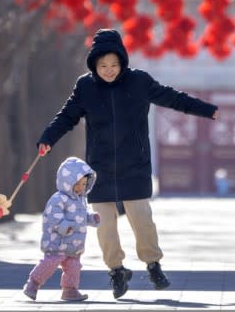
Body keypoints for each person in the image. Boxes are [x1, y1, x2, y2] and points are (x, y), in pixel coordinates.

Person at [36, 28, 219, 299]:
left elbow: (172, 98)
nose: (109, 70)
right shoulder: (85, 87)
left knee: (141, 219)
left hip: (135, 163)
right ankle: (117, 270)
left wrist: (206, 110)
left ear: (122, 62)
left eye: (114, 64)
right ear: (94, 65)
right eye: (102, 66)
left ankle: (153, 264)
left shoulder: (139, 82)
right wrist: (48, 138)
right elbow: (67, 116)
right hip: (98, 169)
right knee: (103, 224)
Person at [22, 156, 99, 302]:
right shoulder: (58, 198)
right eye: (78, 184)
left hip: (74, 245)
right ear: (67, 182)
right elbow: (53, 216)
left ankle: (70, 290)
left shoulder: (80, 200)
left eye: (84, 184)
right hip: (57, 242)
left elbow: (80, 217)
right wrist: (63, 226)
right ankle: (33, 284)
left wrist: (91, 218)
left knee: (74, 267)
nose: (81, 188)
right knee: (49, 264)